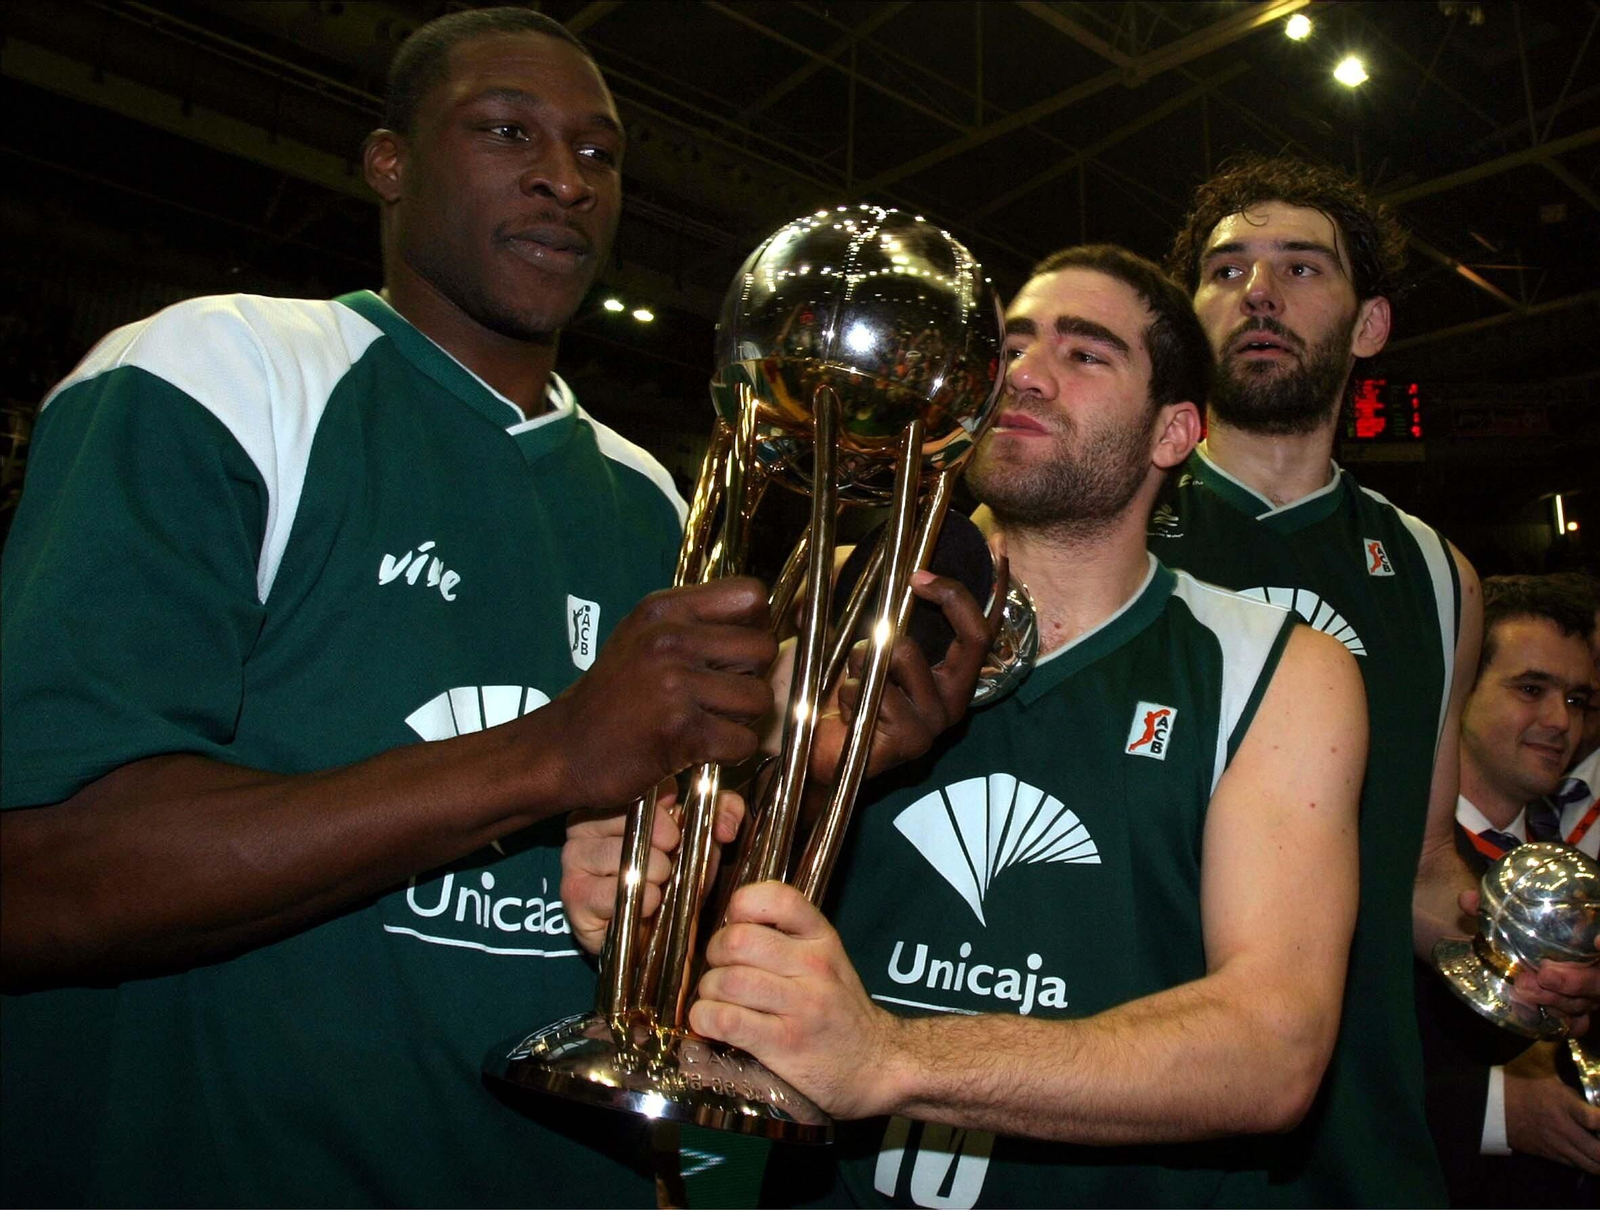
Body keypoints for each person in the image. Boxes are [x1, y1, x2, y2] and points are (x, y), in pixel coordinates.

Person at [0, 9, 986, 1206]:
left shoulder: (646, 494)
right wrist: (552, 754)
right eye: (506, 130)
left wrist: (814, 776)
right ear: (391, 163)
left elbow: (624, 913)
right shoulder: (224, 368)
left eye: (600, 154)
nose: (564, 179)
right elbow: (47, 874)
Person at [567, 244, 1370, 1207]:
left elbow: (1272, 1050)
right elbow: (721, 955)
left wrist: (890, 1058)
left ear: (1174, 434)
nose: (1025, 373)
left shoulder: (1272, 666)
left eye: (1085, 354)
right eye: (1013, 344)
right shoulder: (830, 606)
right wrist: (646, 886)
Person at [1152, 152, 1600, 1205]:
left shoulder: (1439, 576)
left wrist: (1519, 952)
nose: (1257, 291)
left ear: (1368, 327)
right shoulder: (1106, 517)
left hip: (1358, 1143)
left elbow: (1419, 872)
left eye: (1301, 268)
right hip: (1132, 1122)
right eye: (1224, 271)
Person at [1416, 574, 1599, 1206]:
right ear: (1460, 690)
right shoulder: (1379, 862)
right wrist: (1497, 1111)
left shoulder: (1577, 871)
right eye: (1531, 689)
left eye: (1578, 700)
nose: (1560, 722)